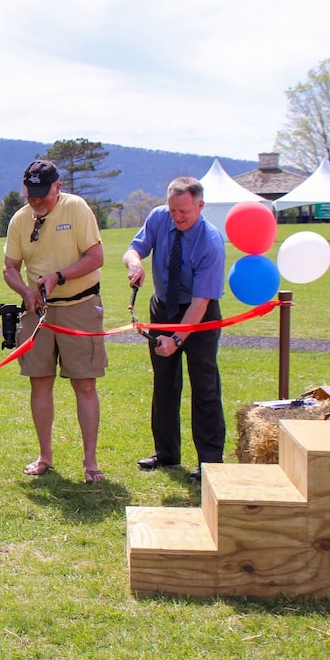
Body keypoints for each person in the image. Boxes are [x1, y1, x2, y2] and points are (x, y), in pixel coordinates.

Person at [2, 160, 107, 484]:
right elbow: (10, 267)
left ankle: (90, 463)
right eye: (31, 195)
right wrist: (25, 292)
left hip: (80, 306)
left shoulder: (76, 209)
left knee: (85, 383)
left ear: (57, 188)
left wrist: (59, 276)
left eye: (42, 195)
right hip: (39, 310)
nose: (36, 201)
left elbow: (96, 256)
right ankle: (44, 456)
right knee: (39, 380)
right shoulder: (20, 219)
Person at [123, 176, 226, 484]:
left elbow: (200, 302)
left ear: (200, 206)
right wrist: (135, 264)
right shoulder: (158, 217)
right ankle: (166, 453)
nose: (177, 217)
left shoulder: (210, 242)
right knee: (165, 384)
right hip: (163, 308)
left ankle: (209, 462)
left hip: (199, 314)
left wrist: (178, 339)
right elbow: (134, 248)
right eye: (173, 210)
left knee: (204, 387)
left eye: (185, 212)